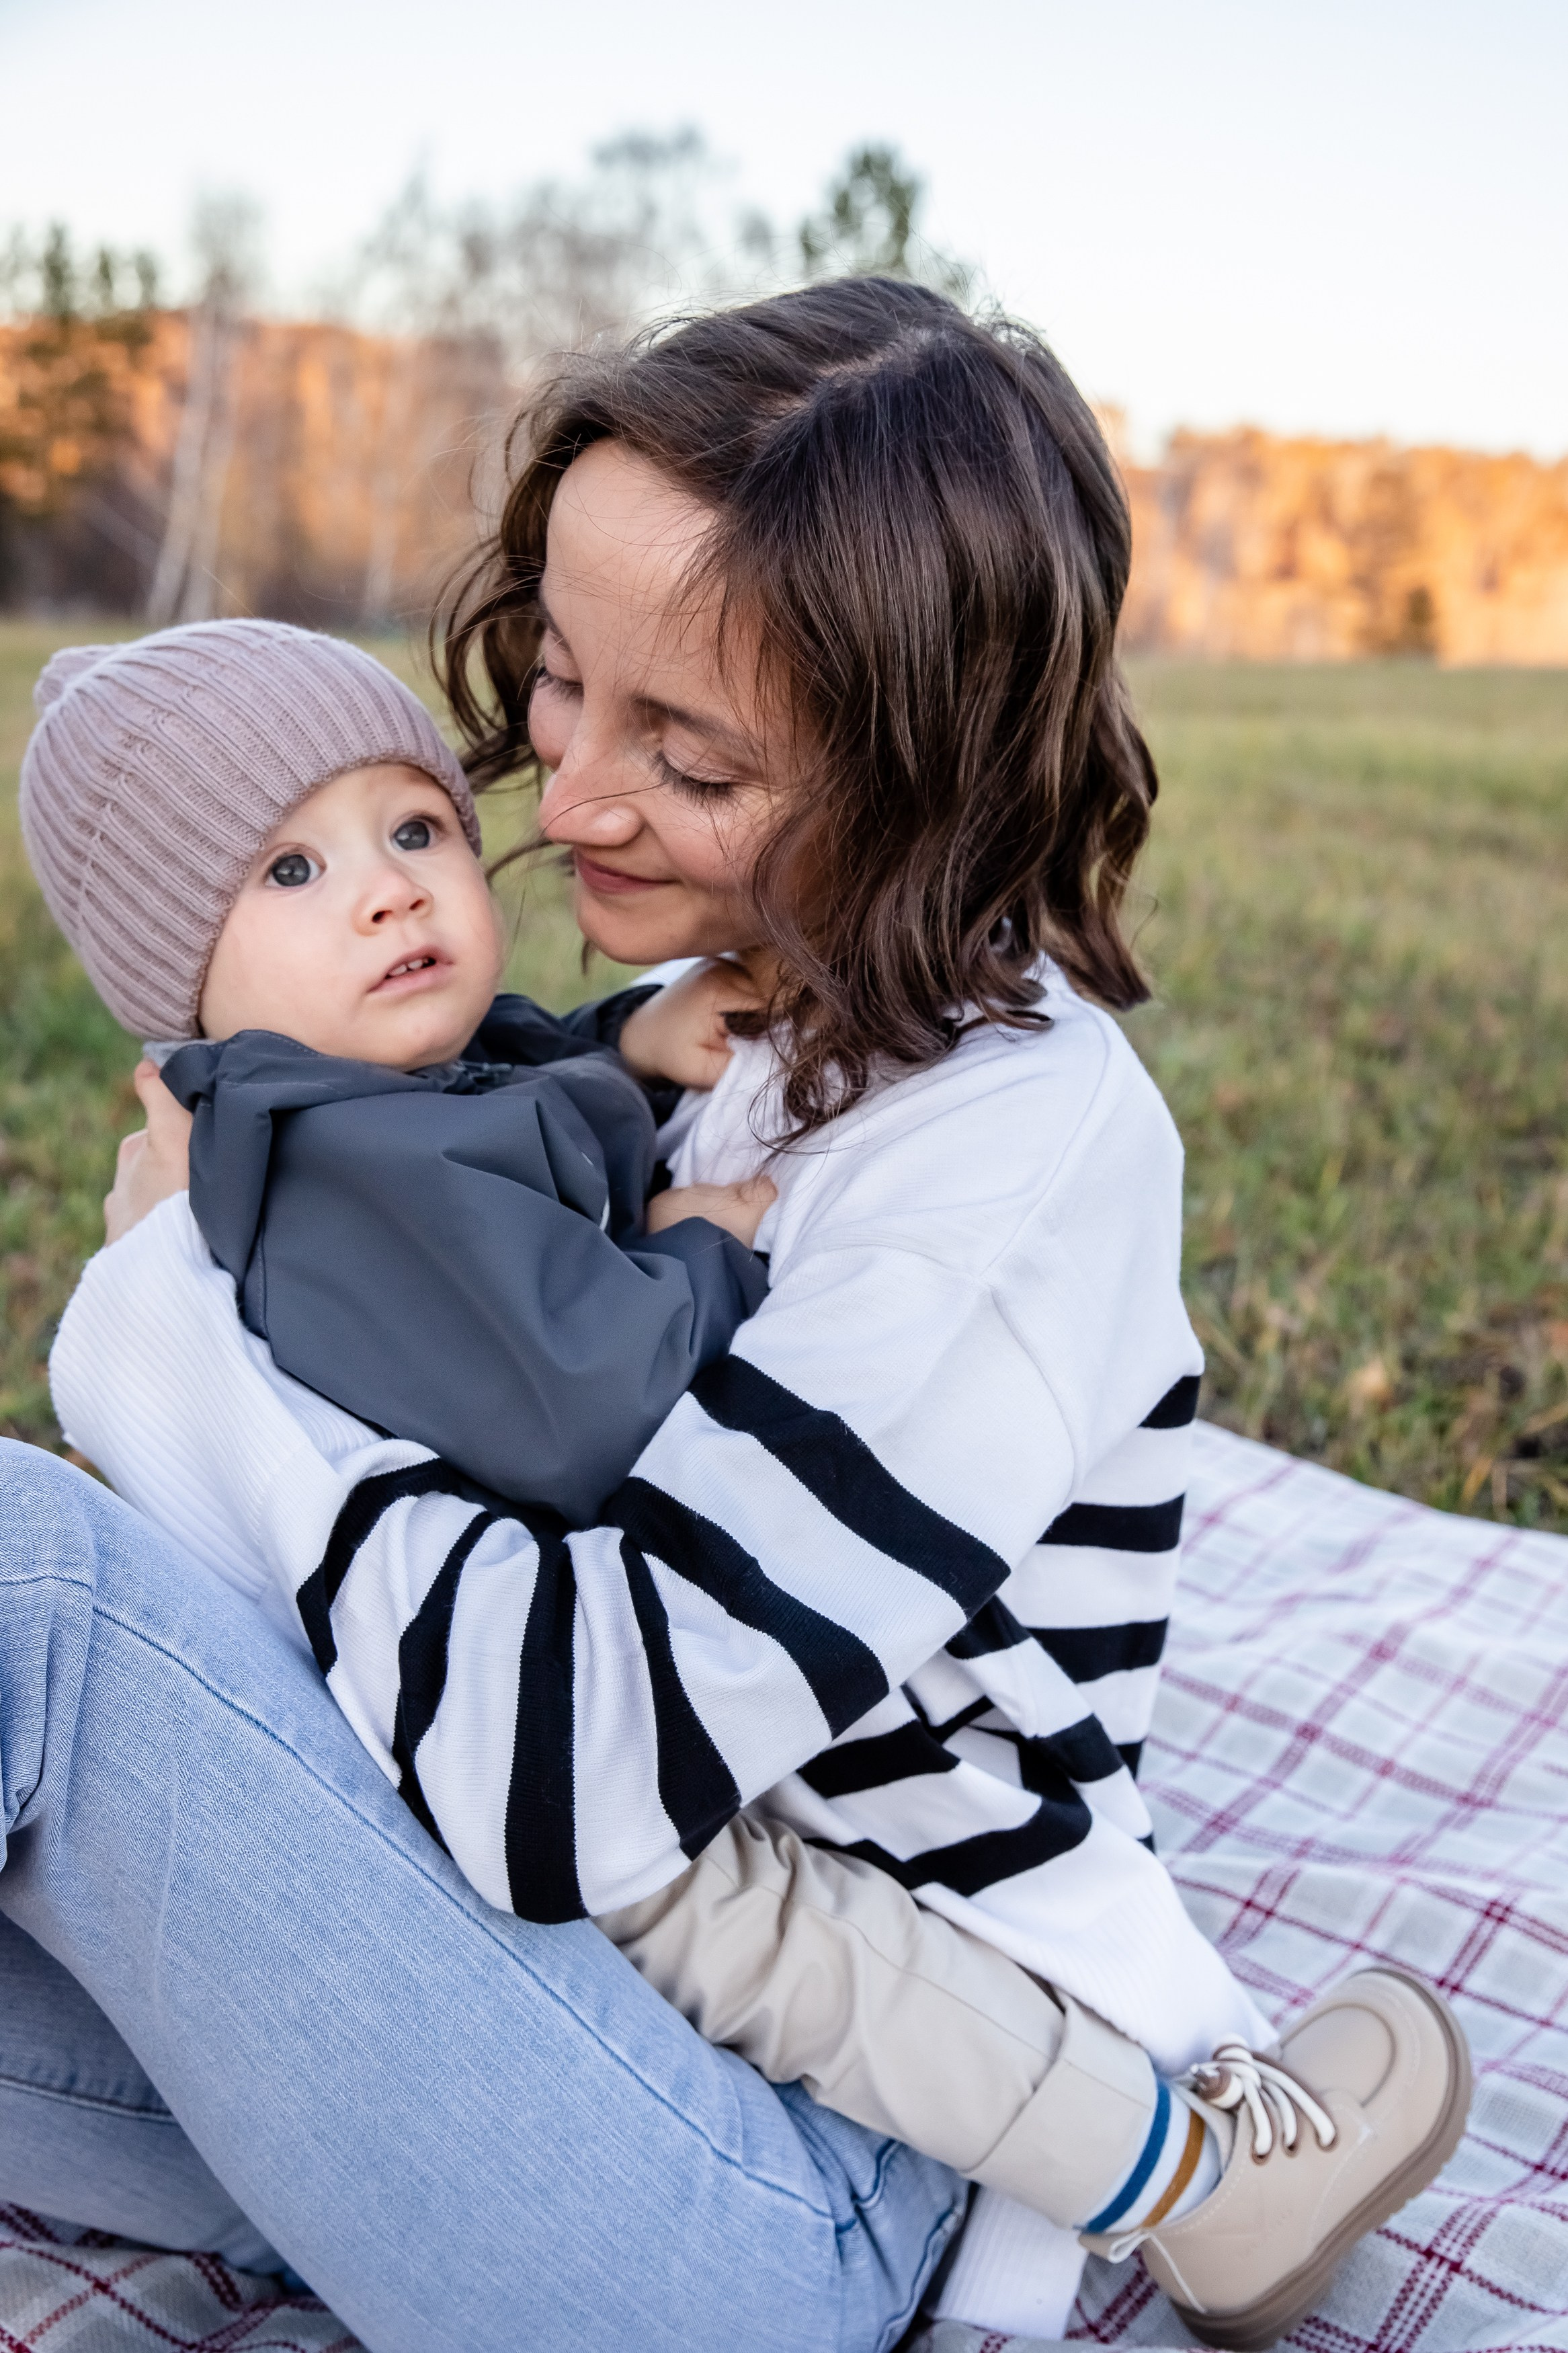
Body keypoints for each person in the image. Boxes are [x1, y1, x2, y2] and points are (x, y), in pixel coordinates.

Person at [7, 279, 1465, 2352]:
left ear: (922, 785)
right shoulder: (745, 1008)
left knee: (22, 1584)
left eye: (680, 753)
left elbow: (548, 1788)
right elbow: (521, 1144)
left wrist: (177, 1340)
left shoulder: (1005, 1167)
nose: (569, 797)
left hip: (782, 2173)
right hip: (531, 2018)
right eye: (559, 676)